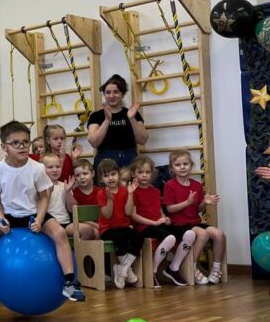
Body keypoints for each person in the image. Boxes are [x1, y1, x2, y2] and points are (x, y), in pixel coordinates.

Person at [0, 121, 85, 304]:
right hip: (8, 215)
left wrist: (39, 219)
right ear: (5, 147)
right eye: (15, 143)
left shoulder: (37, 168)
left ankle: (70, 282)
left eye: (25, 142)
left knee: (60, 233)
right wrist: (0, 219)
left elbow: (44, 196)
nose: (22, 146)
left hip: (32, 214)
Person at [163, 150, 224, 285]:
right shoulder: (169, 185)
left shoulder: (197, 185)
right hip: (178, 224)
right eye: (178, 165)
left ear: (191, 165)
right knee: (202, 234)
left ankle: (216, 268)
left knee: (219, 234)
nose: (182, 167)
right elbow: (169, 209)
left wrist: (204, 202)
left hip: (194, 222)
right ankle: (191, 267)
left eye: (185, 164)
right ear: (172, 168)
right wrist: (187, 202)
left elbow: (198, 209)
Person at [128, 155, 177, 288]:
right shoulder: (133, 191)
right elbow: (133, 216)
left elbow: (159, 210)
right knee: (170, 238)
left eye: (147, 172)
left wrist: (164, 218)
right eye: (140, 172)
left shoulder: (155, 191)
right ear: (133, 174)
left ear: (152, 173)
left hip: (156, 224)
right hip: (143, 227)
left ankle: (171, 269)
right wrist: (153, 222)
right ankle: (153, 271)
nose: (144, 175)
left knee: (180, 233)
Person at [96, 158, 145, 289]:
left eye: (113, 174)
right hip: (107, 230)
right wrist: (110, 200)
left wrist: (130, 194)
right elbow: (107, 215)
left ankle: (123, 268)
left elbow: (128, 212)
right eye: (106, 175)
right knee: (121, 239)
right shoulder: (101, 193)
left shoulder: (124, 190)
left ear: (118, 174)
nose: (110, 178)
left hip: (123, 226)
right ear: (101, 179)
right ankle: (127, 271)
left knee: (138, 238)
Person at [87, 75, 148, 170]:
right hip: (105, 162)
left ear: (123, 94)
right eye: (108, 92)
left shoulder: (132, 114)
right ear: (104, 94)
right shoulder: (96, 115)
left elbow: (142, 140)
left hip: (129, 160)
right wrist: (107, 120)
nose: (111, 96)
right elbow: (94, 142)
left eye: (116, 92)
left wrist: (132, 119)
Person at [65, 157, 100, 240]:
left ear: (93, 174)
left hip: (97, 225)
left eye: (85, 173)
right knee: (91, 230)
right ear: (75, 177)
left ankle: (88, 249)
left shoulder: (100, 192)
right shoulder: (74, 192)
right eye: (77, 175)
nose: (81, 177)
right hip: (77, 224)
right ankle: (80, 248)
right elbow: (72, 210)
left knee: (97, 233)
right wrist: (68, 192)